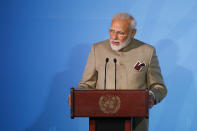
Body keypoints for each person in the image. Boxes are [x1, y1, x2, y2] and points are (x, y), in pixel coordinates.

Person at [69, 12, 167, 131]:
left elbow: (159, 86)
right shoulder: (97, 49)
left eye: (120, 33)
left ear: (133, 33)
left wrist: (152, 96)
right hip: (101, 121)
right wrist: (78, 96)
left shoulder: (147, 52)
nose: (114, 37)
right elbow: (86, 84)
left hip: (135, 123)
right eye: (111, 31)